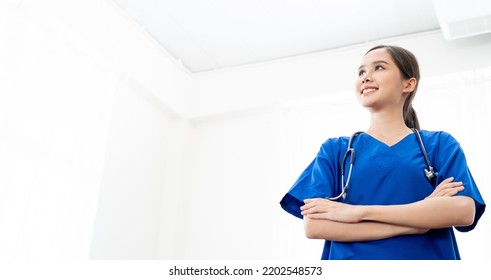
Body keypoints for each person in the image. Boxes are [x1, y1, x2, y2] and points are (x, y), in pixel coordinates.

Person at [279, 45, 486, 260]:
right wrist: (417, 220)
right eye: (361, 72)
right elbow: (314, 226)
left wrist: (357, 212)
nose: (366, 77)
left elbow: (463, 211)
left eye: (378, 68)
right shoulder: (335, 150)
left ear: (408, 83)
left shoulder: (439, 145)